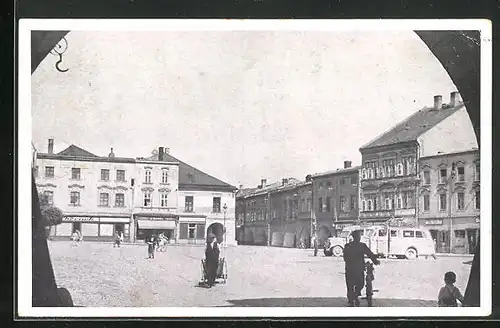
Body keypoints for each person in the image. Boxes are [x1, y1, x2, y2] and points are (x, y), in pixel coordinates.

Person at [343, 230, 380, 307]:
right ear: (357, 237)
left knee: (350, 286)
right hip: (358, 270)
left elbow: (345, 258)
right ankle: (355, 296)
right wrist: (375, 261)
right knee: (360, 284)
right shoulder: (362, 246)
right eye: (359, 236)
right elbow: (370, 254)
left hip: (349, 269)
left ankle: (351, 300)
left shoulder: (347, 246)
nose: (359, 237)